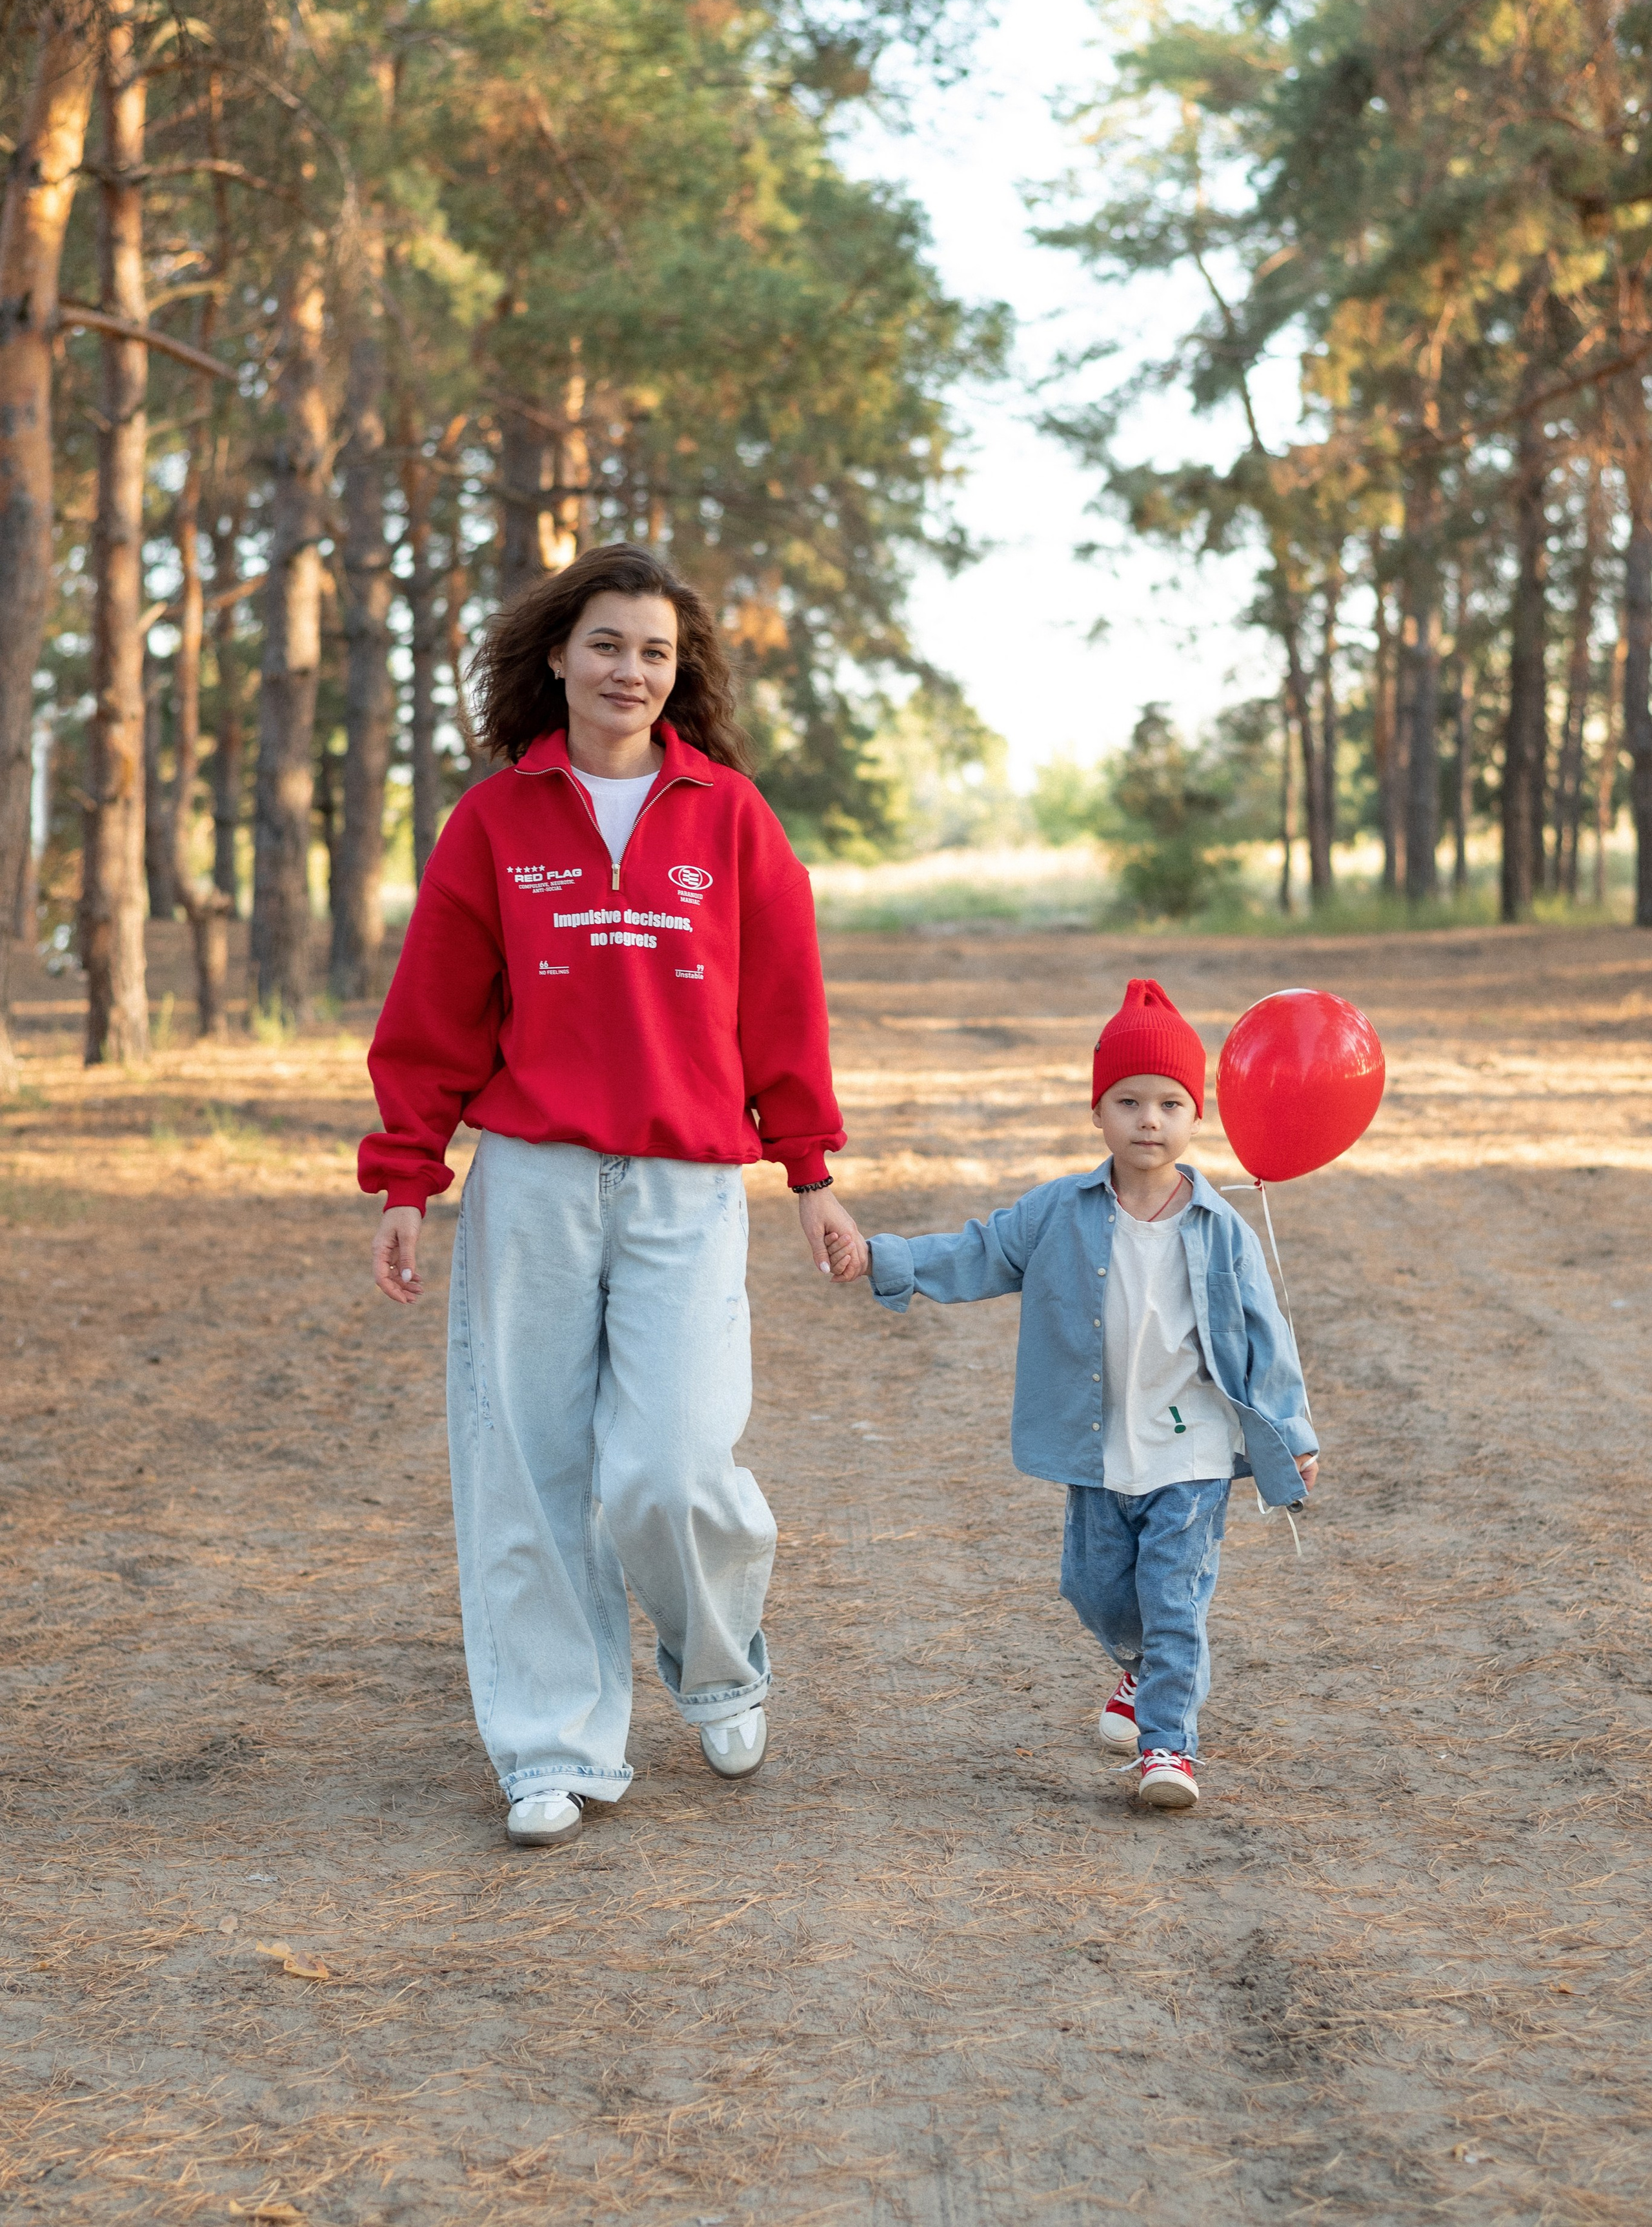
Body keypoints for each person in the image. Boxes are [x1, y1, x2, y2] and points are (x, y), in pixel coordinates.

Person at [359, 542, 863, 1849]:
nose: (628, 669)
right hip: (533, 1176)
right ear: (555, 657)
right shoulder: (496, 819)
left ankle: (717, 1663)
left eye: (652, 649)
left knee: (673, 1465)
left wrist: (808, 1167)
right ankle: (549, 1744)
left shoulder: (732, 817)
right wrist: (406, 1175)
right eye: (605, 644)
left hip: (687, 1185)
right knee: (526, 1468)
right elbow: (432, 1018)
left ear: (677, 670)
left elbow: (782, 1008)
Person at [825, 978, 1317, 1811]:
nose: (1149, 1121)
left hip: (1189, 1449)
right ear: (1099, 1113)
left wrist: (1293, 1431)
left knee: (1174, 1594)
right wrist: (884, 1259)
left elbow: (1266, 1331)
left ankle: (1169, 1748)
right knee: (1095, 1588)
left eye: (1169, 1103)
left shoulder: (1220, 1229)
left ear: (1196, 1116)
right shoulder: (1063, 1211)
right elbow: (978, 1254)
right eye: (1129, 1102)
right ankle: (1145, 1670)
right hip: (1101, 1449)